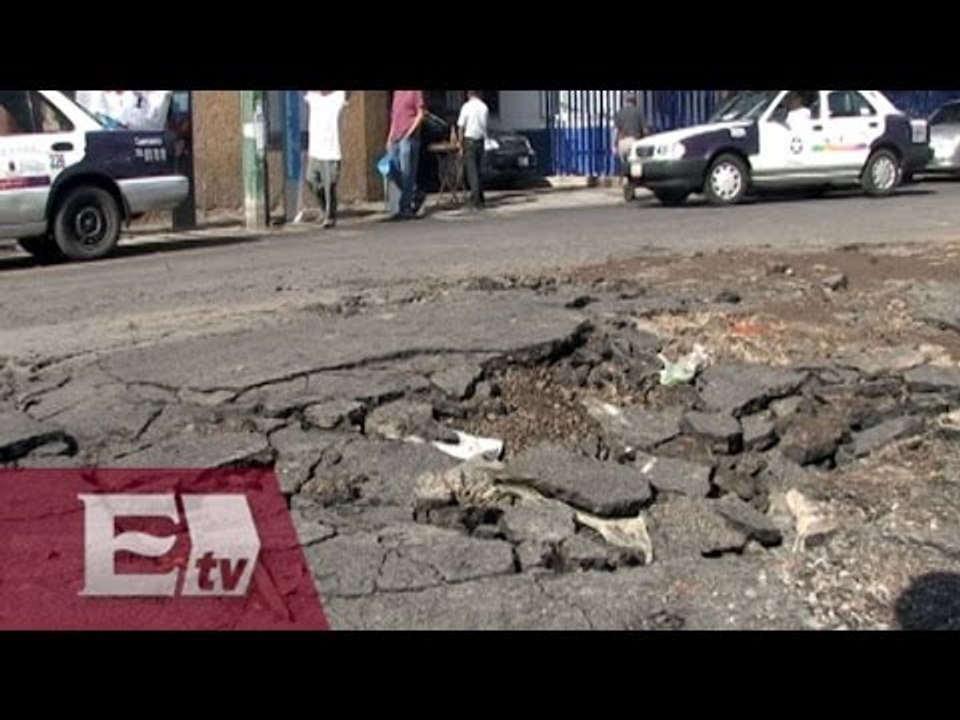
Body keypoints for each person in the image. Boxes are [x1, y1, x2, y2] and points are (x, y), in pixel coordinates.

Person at [305, 90, 348, 228]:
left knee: (330, 185)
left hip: (331, 151)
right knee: (311, 180)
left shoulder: (337, 97)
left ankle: (330, 216)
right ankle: (324, 207)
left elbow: (347, 94)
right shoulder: (313, 97)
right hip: (315, 150)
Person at [386, 90, 426, 219]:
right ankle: (415, 192)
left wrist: (409, 132)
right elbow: (394, 116)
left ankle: (405, 207)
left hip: (409, 138)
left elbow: (420, 114)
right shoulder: (397, 93)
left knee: (407, 173)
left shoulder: (415, 92)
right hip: (396, 137)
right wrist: (390, 136)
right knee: (391, 169)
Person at [457, 91, 489, 210]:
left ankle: (475, 200)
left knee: (472, 172)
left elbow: (461, 127)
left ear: (469, 94)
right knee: (479, 171)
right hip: (480, 140)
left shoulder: (466, 107)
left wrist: (460, 145)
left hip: (469, 141)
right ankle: (480, 198)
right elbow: (485, 125)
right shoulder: (484, 107)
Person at [613, 93, 648, 199]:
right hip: (633, 142)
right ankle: (631, 191)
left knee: (624, 167)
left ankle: (626, 187)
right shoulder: (638, 112)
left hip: (622, 142)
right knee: (634, 168)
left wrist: (614, 145)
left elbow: (615, 130)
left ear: (625, 101)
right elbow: (645, 130)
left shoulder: (620, 113)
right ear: (634, 101)